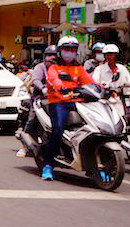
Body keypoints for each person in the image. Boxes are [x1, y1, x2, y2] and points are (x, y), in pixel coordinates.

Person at [43, 36, 97, 181]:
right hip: (58, 102)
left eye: (72, 50)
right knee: (58, 130)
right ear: (60, 51)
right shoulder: (53, 67)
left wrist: (101, 89)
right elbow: (53, 80)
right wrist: (62, 88)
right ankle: (48, 164)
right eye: (67, 49)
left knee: (94, 129)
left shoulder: (78, 67)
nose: (70, 52)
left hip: (78, 102)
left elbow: (89, 81)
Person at [16, 45, 56, 158]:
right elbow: (36, 80)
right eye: (49, 55)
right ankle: (24, 146)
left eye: (54, 55)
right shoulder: (41, 67)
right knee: (32, 119)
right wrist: (43, 89)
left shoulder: (61, 67)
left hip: (58, 99)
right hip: (40, 99)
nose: (51, 57)